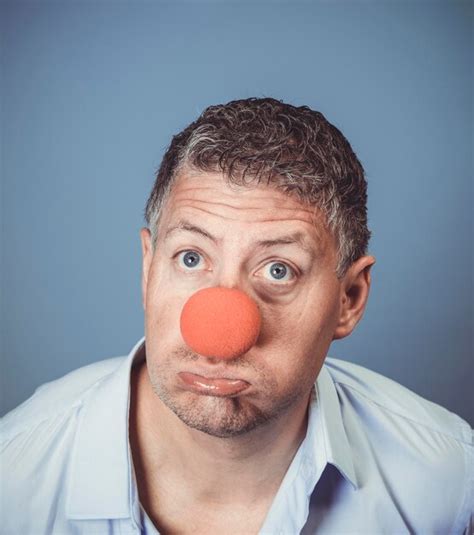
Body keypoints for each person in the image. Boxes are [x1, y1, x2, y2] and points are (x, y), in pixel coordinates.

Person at [1, 97, 472, 535]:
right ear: (148, 270)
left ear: (349, 299)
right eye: (191, 258)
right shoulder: (15, 480)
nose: (219, 335)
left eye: (278, 269)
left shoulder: (450, 488)